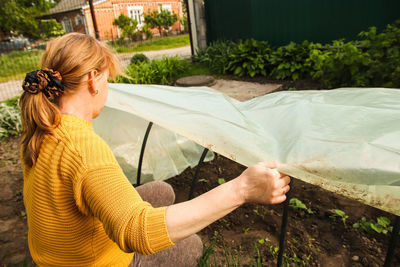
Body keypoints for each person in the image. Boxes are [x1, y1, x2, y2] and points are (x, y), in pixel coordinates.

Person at [20, 33, 291, 267]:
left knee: (161, 191)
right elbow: (138, 232)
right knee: (191, 245)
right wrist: (241, 189)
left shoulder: (41, 126)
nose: (108, 88)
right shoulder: (82, 149)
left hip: (54, 254)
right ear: (92, 79)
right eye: (107, 79)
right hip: (90, 261)